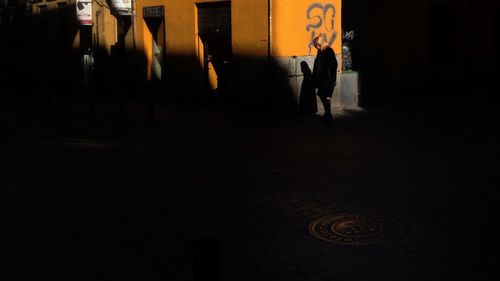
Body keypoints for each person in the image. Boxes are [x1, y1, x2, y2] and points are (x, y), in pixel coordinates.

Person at [312, 36, 338, 120]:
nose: (315, 46)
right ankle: (328, 113)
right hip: (322, 79)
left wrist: (329, 77)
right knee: (323, 95)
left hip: (328, 79)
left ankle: (328, 113)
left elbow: (333, 65)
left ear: (320, 42)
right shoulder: (320, 51)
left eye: (316, 44)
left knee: (325, 96)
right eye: (314, 44)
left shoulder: (329, 51)